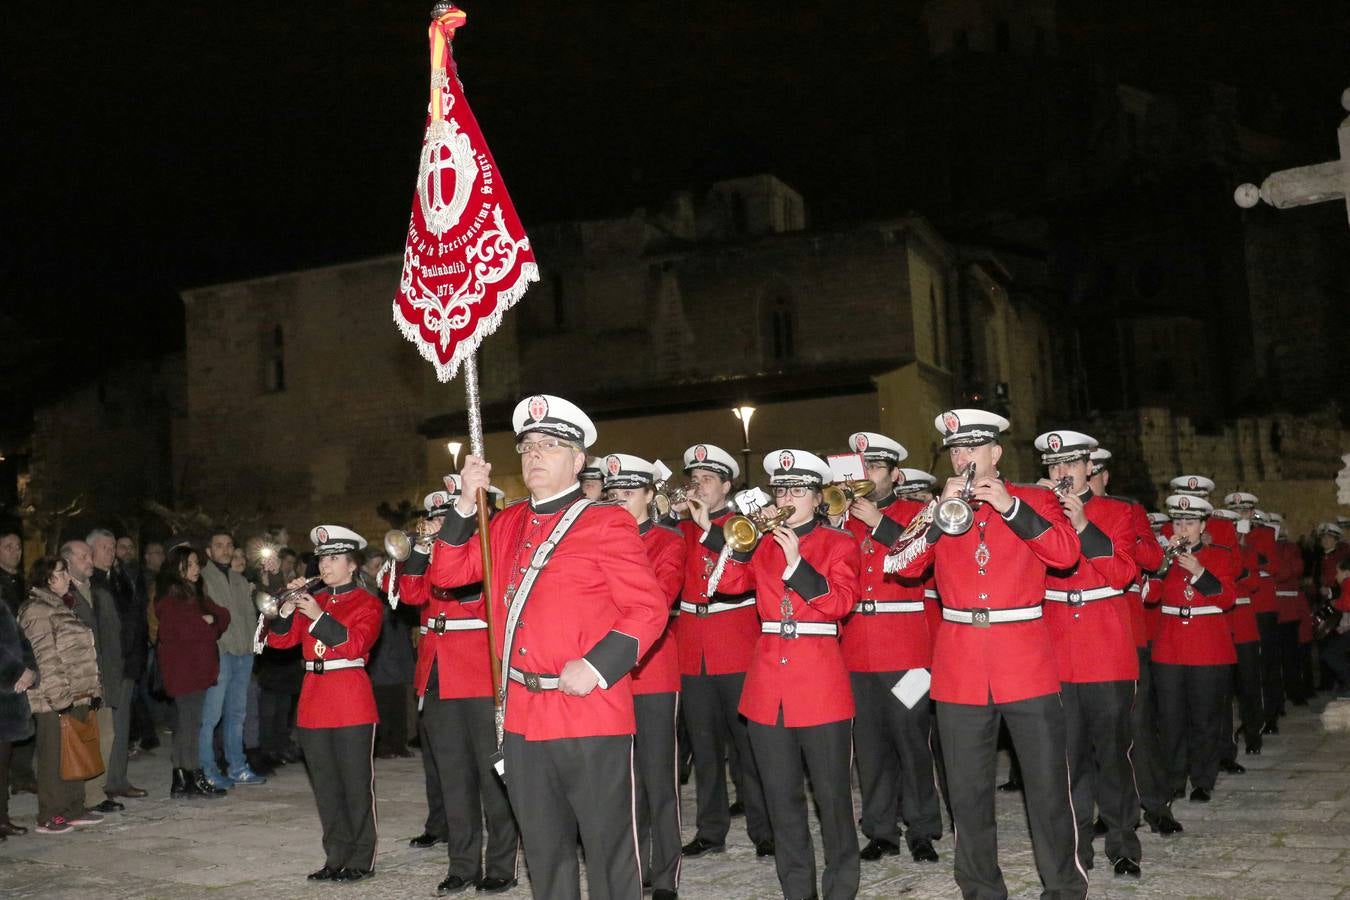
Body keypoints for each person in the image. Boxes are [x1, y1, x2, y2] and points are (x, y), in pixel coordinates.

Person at [428, 394, 669, 900]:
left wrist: (600, 666)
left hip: (590, 711)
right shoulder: (505, 523)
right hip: (522, 715)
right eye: (529, 445)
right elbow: (447, 573)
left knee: (608, 854)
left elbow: (648, 609)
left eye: (552, 445)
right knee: (544, 855)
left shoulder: (607, 522)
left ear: (579, 461)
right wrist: (462, 505)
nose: (536, 454)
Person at [890, 409, 1087, 900]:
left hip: (1025, 661)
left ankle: (1063, 888)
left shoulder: (1037, 498)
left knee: (1045, 788)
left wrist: (1012, 508)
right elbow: (901, 565)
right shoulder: (940, 504)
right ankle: (980, 889)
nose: (963, 459)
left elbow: (1066, 555)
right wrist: (937, 520)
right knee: (967, 791)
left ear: (995, 453)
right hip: (959, 665)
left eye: (972, 449)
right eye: (956, 451)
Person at [696, 448, 861, 900]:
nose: (786, 496)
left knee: (832, 800)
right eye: (781, 488)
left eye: (797, 489)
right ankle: (798, 891)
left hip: (820, 684)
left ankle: (842, 887)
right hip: (768, 686)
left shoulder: (838, 543)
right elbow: (727, 585)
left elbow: (841, 603)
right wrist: (737, 543)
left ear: (817, 497)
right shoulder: (762, 541)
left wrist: (797, 566)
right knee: (782, 800)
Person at [393, 483, 518, 895]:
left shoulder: (488, 551)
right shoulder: (433, 553)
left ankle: (501, 864)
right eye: (436, 519)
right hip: (437, 674)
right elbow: (411, 595)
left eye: (449, 517)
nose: (439, 525)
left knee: (492, 776)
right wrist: (420, 553)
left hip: (479, 674)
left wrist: (450, 555)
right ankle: (462, 865)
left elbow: (488, 604)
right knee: (453, 778)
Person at [1032, 431, 1140, 877]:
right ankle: (1078, 850)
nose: (1061, 474)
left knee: (1113, 754)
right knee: (1067, 758)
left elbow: (1122, 573)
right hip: (1056, 649)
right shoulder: (1037, 515)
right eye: (1054, 467)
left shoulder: (1118, 513)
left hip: (1106, 649)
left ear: (1089, 468)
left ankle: (1123, 842)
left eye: (1070, 465)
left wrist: (1081, 527)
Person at [836, 431, 942, 865]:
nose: (868, 478)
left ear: (895, 474)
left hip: (907, 650)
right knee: (871, 744)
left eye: (876, 469)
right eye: (862, 470)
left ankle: (922, 828)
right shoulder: (844, 520)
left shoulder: (917, 513)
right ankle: (879, 828)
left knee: (912, 739)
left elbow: (921, 558)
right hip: (857, 647)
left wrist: (878, 522)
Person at [672, 442, 773, 860]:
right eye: (694, 479)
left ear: (727, 485)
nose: (698, 486)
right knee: (705, 747)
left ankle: (763, 829)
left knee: (748, 747)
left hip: (735, 644)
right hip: (692, 645)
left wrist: (711, 530)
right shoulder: (680, 529)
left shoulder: (743, 526)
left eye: (707, 479)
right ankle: (710, 831)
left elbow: (746, 575)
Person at [268, 525, 384, 882]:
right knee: (326, 787)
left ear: (352, 565)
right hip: (314, 700)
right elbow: (278, 643)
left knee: (355, 784)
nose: (325, 565)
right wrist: (287, 609)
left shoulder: (367, 603)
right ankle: (336, 855)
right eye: (322, 558)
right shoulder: (312, 598)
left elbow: (354, 645)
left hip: (350, 700)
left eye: (334, 558)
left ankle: (361, 858)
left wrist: (317, 615)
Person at [603, 453, 686, 900]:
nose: (618, 501)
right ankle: (629, 869)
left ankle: (666, 873)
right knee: (618, 780)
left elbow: (660, 595)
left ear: (650, 496)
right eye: (613, 494)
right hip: (606, 673)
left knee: (658, 778)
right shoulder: (595, 538)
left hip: (651, 671)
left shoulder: (667, 541)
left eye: (628, 493)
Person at [1150, 494, 1239, 803]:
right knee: (1171, 718)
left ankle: (1203, 779)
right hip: (1170, 647)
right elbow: (1149, 597)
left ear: (1203, 526)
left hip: (1207, 647)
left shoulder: (1220, 555)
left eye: (1190, 522)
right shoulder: (1165, 556)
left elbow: (1227, 598)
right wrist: (1159, 565)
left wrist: (1199, 572)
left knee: (1204, 717)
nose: (1183, 528)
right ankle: (1174, 779)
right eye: (1177, 522)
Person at [18, 556, 104, 834]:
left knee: (74, 753)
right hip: (53, 697)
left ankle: (73, 807)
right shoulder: (37, 610)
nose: (67, 577)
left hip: (77, 692)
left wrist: (93, 689)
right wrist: (60, 698)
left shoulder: (64, 606)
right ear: (46, 579)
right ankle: (49, 814)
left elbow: (81, 653)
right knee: (54, 756)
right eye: (61, 573)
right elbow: (46, 658)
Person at [154, 546, 230, 798]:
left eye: (197, 563)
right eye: (193, 563)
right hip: (183, 671)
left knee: (191, 724)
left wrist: (209, 623)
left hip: (198, 669)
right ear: (179, 567)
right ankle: (188, 775)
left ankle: (186, 777)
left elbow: (223, 615)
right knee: (188, 725)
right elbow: (182, 633)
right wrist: (205, 624)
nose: (198, 568)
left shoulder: (195, 595)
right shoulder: (170, 599)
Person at [60, 539, 124, 815]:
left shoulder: (101, 593)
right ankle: (78, 797)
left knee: (106, 736)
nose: (89, 560)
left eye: (89, 555)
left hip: (104, 678)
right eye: (83, 556)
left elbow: (113, 638)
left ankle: (97, 793)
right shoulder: (62, 596)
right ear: (67, 562)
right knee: (79, 739)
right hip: (77, 681)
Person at [199, 529, 267, 788]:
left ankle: (237, 766)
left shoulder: (239, 579)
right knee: (211, 715)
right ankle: (207, 769)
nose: (225, 550)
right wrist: (221, 645)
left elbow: (250, 616)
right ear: (208, 551)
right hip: (220, 654)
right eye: (219, 545)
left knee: (237, 713)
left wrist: (252, 645)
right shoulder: (203, 579)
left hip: (243, 654)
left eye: (229, 545)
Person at [88, 528, 148, 802]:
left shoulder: (122, 578)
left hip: (126, 662)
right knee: (105, 729)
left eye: (113, 548)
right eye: (105, 548)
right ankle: (103, 785)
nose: (111, 553)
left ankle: (117, 779)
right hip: (105, 665)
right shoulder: (90, 583)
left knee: (121, 725)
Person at [0, 567, 36, 837]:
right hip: (6, 686)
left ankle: (2, 817)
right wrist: (15, 672)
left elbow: (21, 642)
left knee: (3, 763)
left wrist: (30, 670)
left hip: (8, 698)